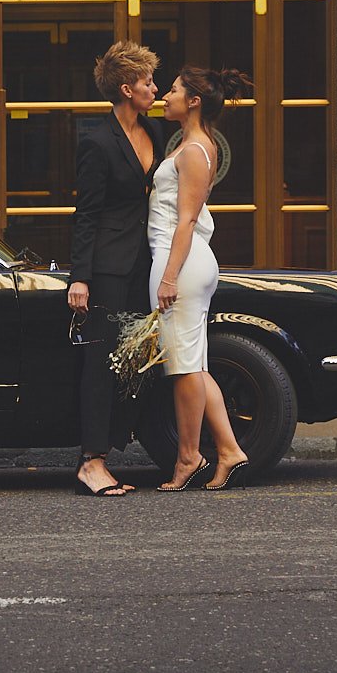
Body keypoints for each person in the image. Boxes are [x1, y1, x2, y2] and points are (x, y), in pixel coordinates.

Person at [67, 41, 164, 496]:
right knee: (100, 363)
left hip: (144, 261)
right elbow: (86, 213)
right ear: (127, 89)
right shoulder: (97, 142)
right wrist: (80, 277)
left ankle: (122, 445)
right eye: (147, 82)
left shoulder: (155, 134)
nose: (155, 88)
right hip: (106, 266)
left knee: (135, 362)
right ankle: (92, 462)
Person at [148, 66, 251, 491]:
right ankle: (228, 448)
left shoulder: (193, 150)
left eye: (172, 90)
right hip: (185, 263)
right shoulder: (194, 145)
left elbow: (186, 220)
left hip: (181, 264)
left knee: (183, 367)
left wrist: (169, 277)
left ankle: (189, 456)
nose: (165, 96)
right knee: (194, 364)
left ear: (193, 101)